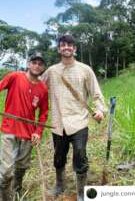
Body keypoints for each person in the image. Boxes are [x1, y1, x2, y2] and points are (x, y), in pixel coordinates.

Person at [42, 34, 106, 201]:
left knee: (80, 153)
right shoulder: (51, 71)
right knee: (58, 156)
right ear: (59, 49)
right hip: (58, 123)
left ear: (75, 49)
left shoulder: (85, 70)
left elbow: (96, 93)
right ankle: (59, 185)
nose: (66, 47)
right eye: (63, 45)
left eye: (70, 45)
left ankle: (80, 192)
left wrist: (100, 110)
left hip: (79, 121)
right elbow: (38, 89)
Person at [0, 52, 48, 201]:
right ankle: (5, 197)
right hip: (9, 130)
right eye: (34, 62)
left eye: (40, 64)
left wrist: (38, 132)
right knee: (6, 172)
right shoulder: (15, 77)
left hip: (27, 134)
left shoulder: (43, 89)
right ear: (28, 64)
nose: (37, 66)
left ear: (43, 67)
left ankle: (18, 189)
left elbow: (44, 113)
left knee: (22, 166)